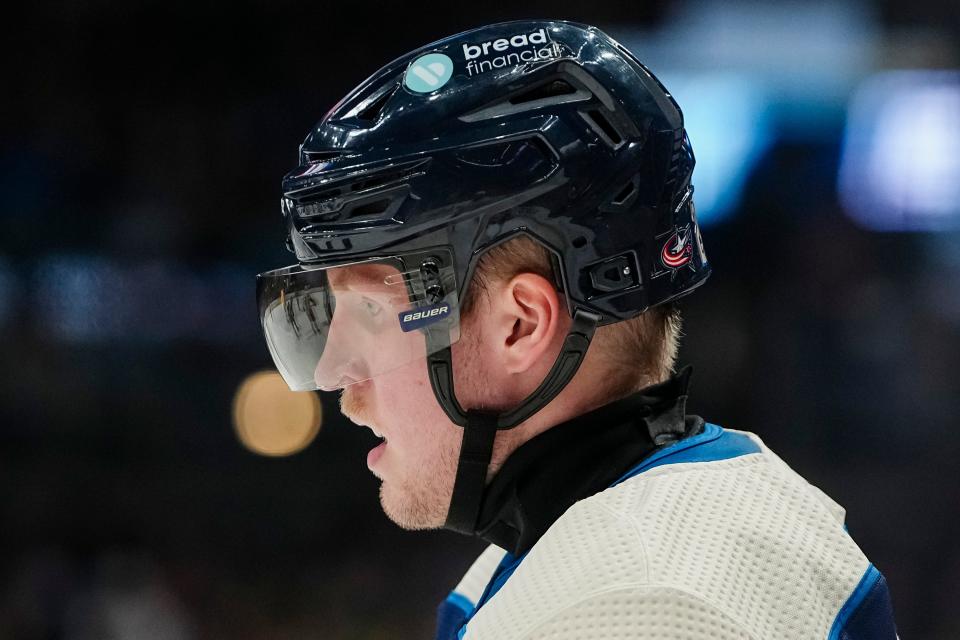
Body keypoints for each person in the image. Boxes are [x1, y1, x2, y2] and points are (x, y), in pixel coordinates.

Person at [255, 20, 899, 639]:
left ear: (521, 325)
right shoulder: (684, 520)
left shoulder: (634, 601)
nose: (342, 382)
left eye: (368, 311)